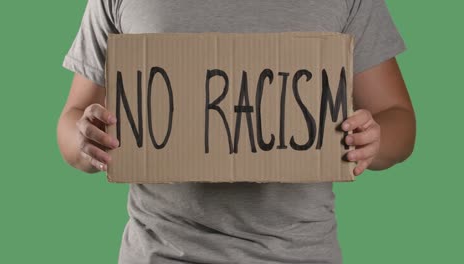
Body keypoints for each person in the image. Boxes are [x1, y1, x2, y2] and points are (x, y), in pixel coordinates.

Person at [57, 0, 416, 263]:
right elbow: (72, 121)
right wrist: (85, 139)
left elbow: (398, 118)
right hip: (160, 253)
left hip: (299, 255)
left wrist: (375, 140)